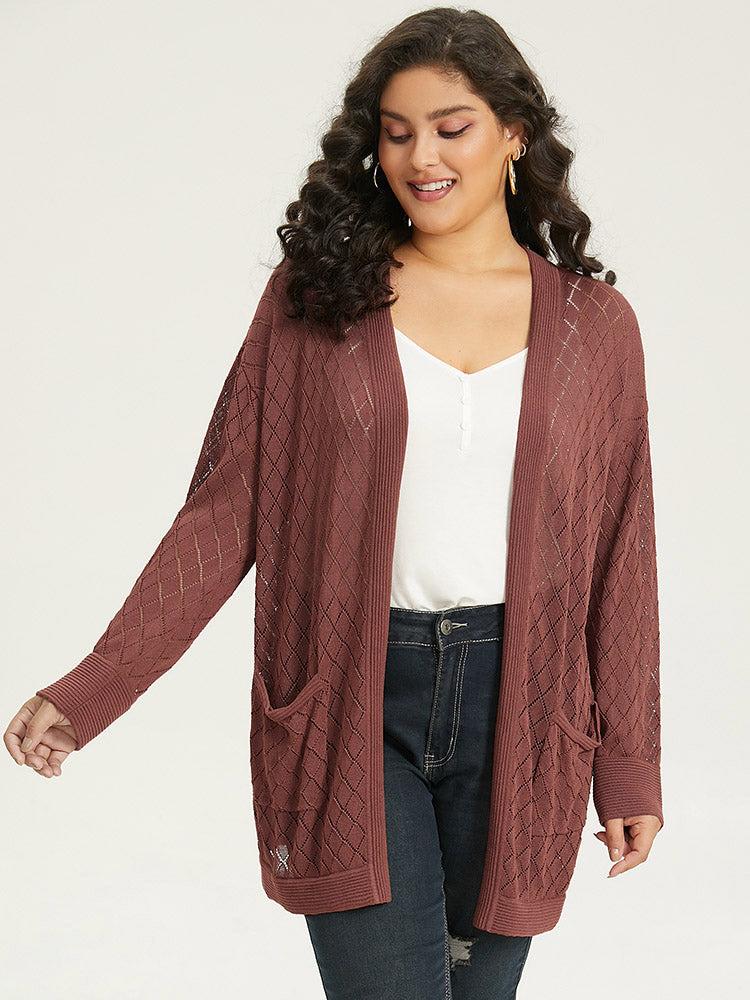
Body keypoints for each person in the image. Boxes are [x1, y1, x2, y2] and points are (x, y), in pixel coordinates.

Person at [4, 8, 663, 999]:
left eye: (451, 127)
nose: (421, 157)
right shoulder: (320, 299)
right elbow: (222, 514)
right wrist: (94, 686)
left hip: (525, 716)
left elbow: (622, 557)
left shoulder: (595, 327)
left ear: (514, 134)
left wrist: (631, 765)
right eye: (396, 134)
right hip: (352, 699)